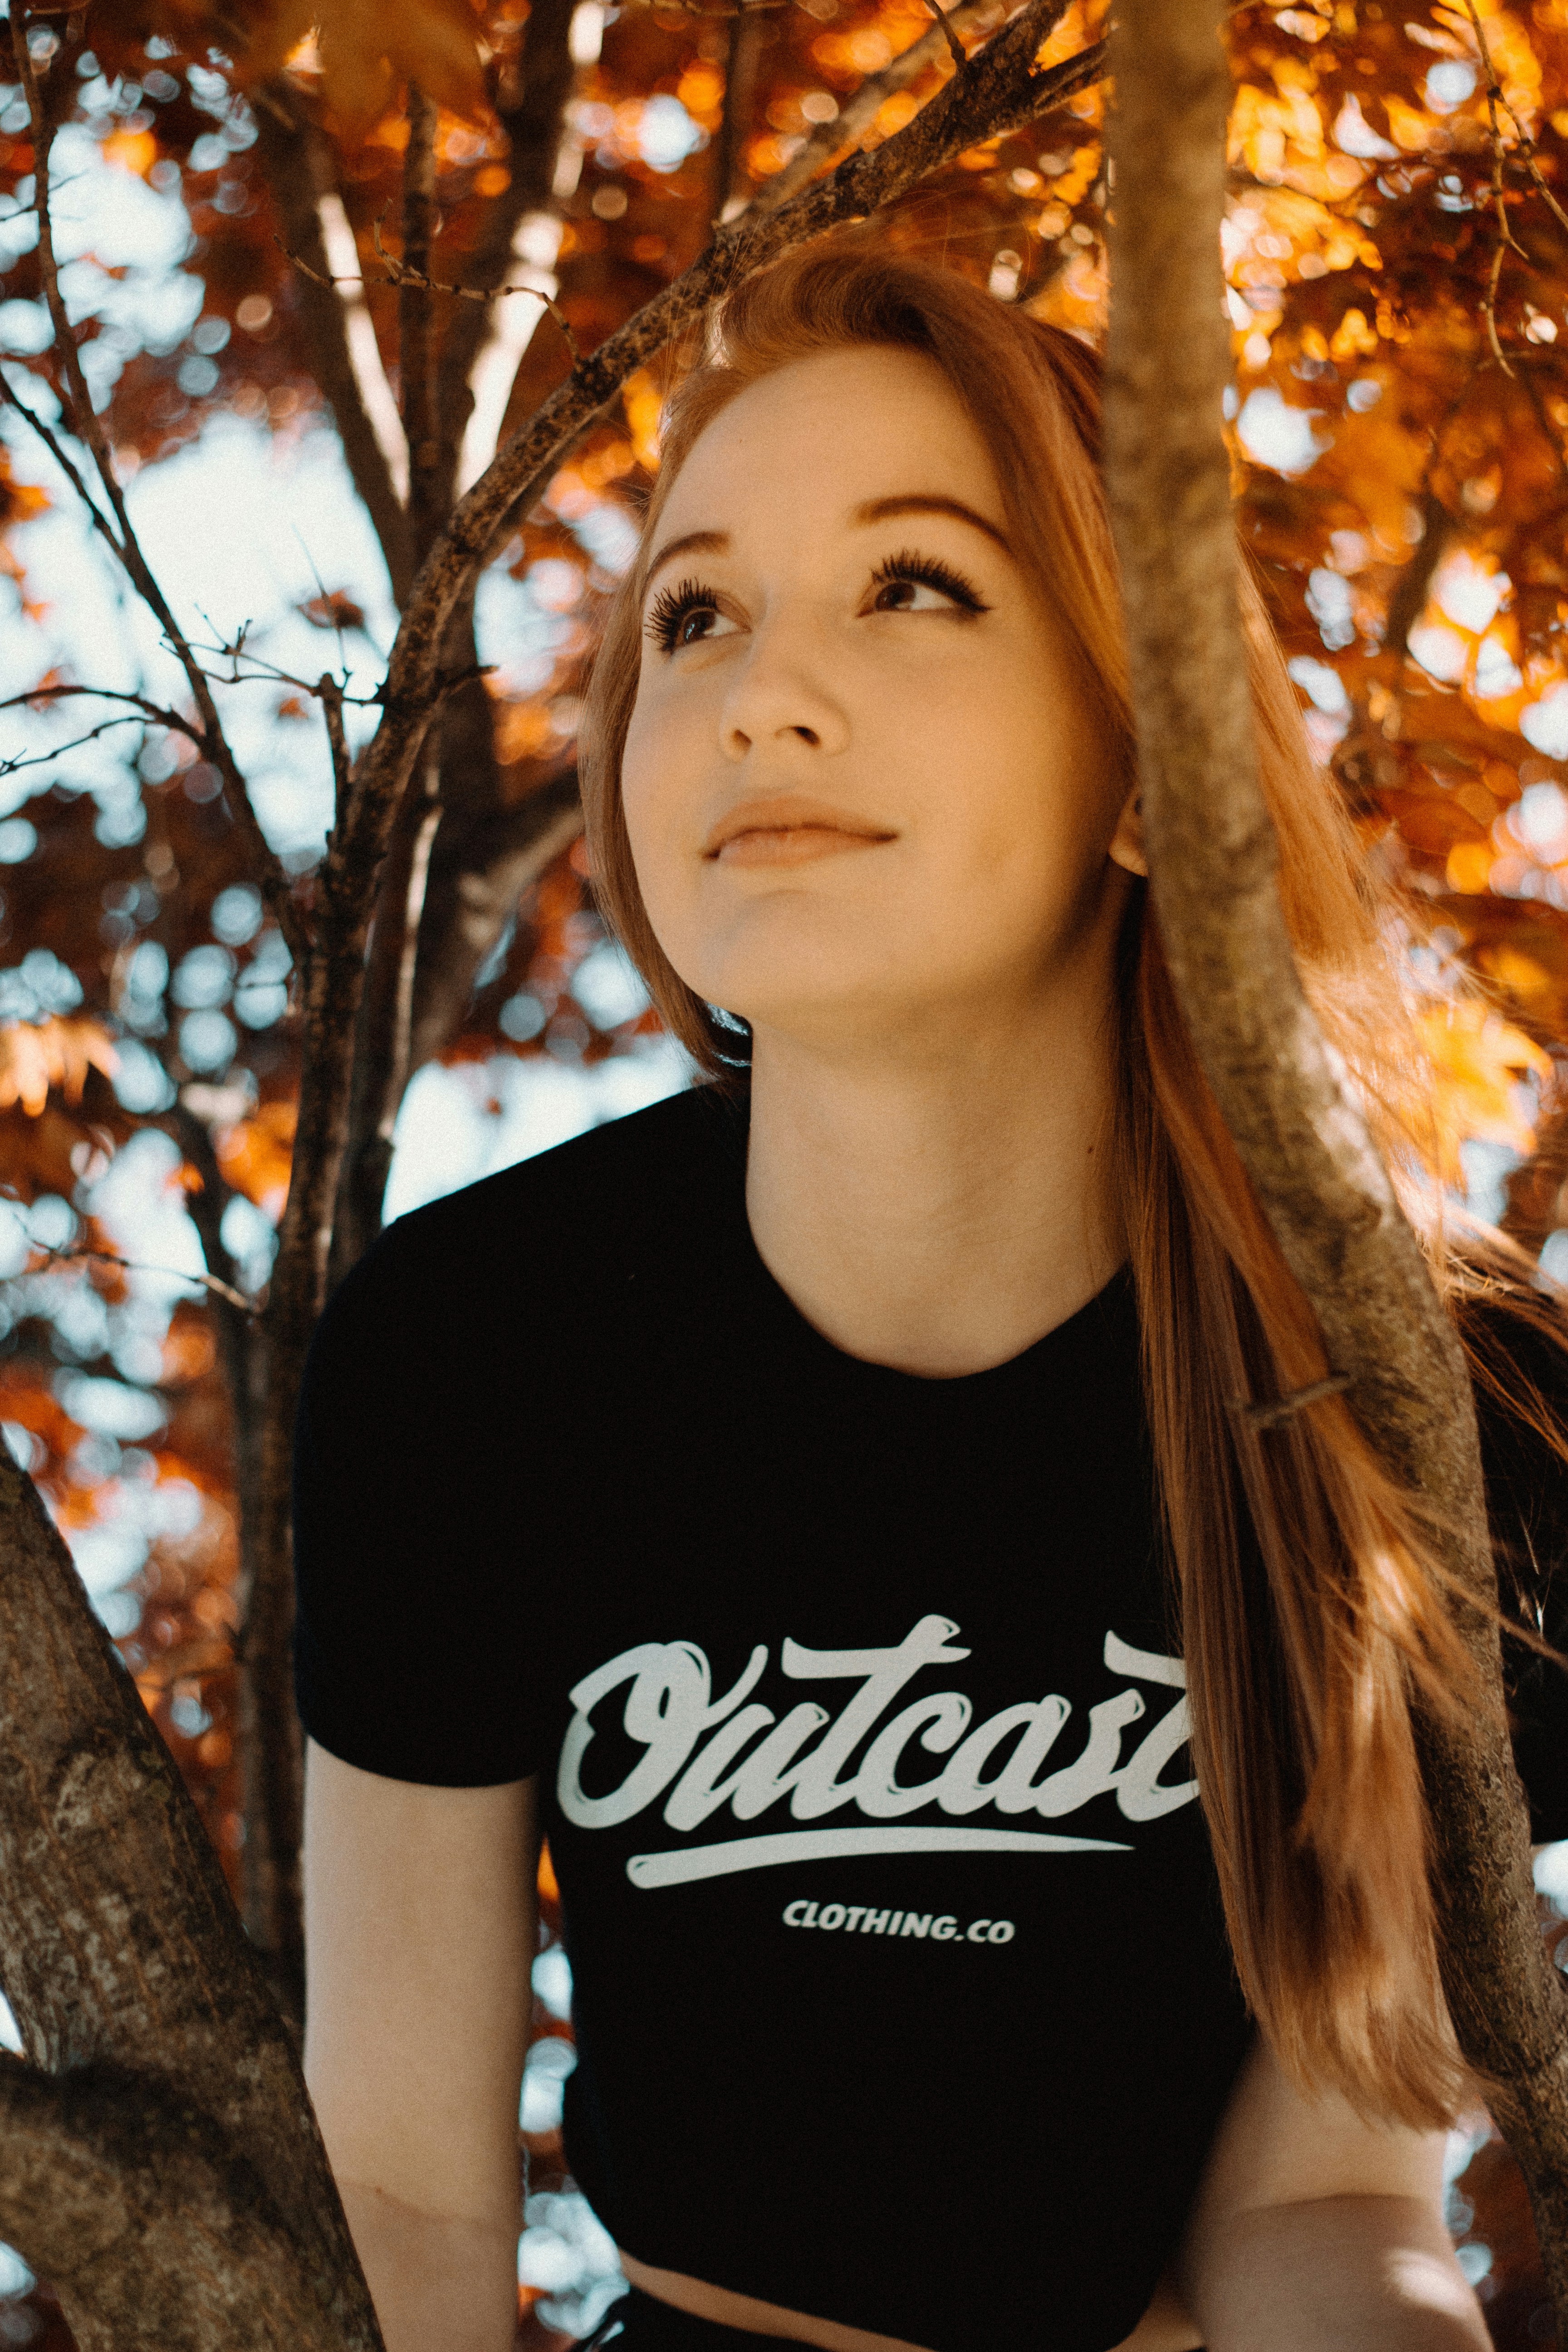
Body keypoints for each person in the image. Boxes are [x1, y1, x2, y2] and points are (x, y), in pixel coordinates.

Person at [292, 238, 1568, 2352]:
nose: (756, 690)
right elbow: (406, 2187)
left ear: (1154, 765)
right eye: (690, 615)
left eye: (915, 585)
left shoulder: (1428, 1403)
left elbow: (1324, 2202)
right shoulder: (479, 1355)